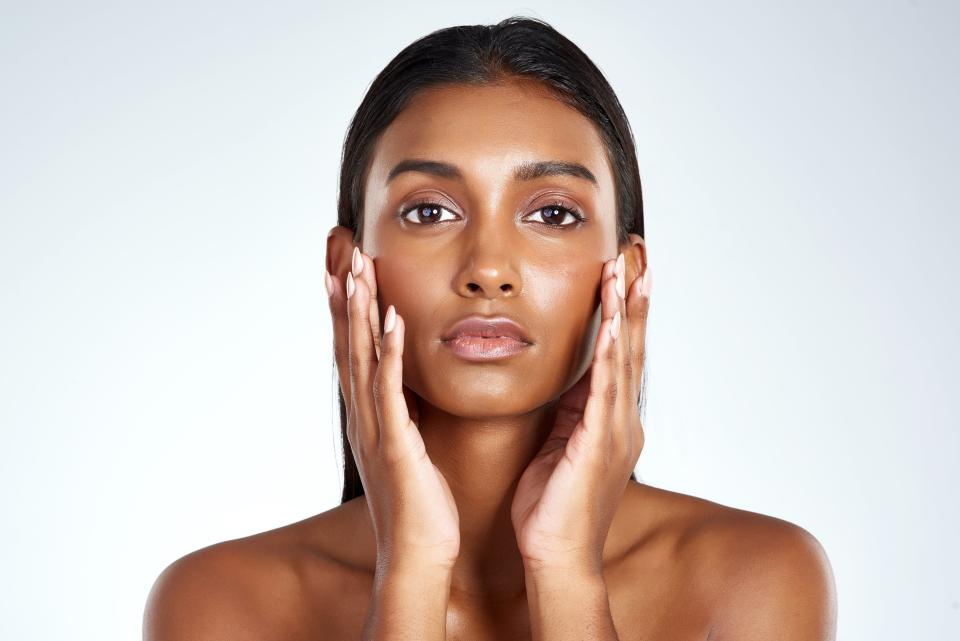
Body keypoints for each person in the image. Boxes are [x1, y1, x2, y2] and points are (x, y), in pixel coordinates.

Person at [143, 16, 837, 641]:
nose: (489, 270)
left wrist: (566, 570)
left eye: (553, 214)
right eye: (430, 212)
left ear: (625, 274)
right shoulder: (218, 603)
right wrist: (409, 572)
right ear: (349, 265)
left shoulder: (757, 579)